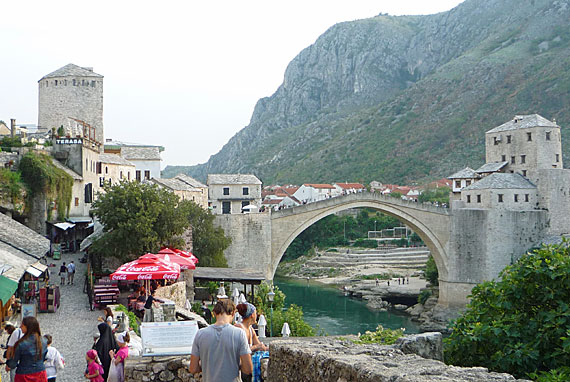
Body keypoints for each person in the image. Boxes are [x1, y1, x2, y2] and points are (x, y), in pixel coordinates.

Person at [189, 299, 252, 382]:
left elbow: (193, 368)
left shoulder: (200, 334)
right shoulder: (239, 333)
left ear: (214, 314)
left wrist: (207, 365)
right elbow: (248, 369)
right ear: (233, 313)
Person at [6, 316, 48, 382]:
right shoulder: (44, 341)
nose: (20, 327)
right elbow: (44, 357)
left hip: (24, 375)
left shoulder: (21, 344)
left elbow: (13, 363)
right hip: (40, 373)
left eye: (22, 326)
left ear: (28, 327)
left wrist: (8, 363)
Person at [235, 303, 268, 382]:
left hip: (247, 364)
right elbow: (239, 350)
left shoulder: (250, 329)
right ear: (252, 315)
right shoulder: (239, 328)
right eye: (256, 313)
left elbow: (260, 346)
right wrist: (256, 347)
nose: (257, 315)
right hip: (240, 366)